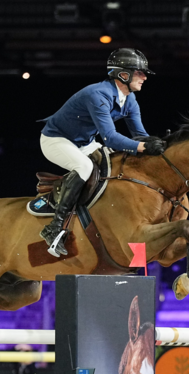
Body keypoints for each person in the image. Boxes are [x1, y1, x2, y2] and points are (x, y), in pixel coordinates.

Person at [30, 48, 166, 256]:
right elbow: (110, 137)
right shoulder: (97, 94)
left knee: (115, 161)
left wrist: (161, 144)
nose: (145, 77)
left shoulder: (129, 99)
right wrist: (143, 147)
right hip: (56, 140)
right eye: (140, 72)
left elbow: (139, 135)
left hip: (84, 142)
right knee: (84, 167)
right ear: (123, 74)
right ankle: (54, 228)